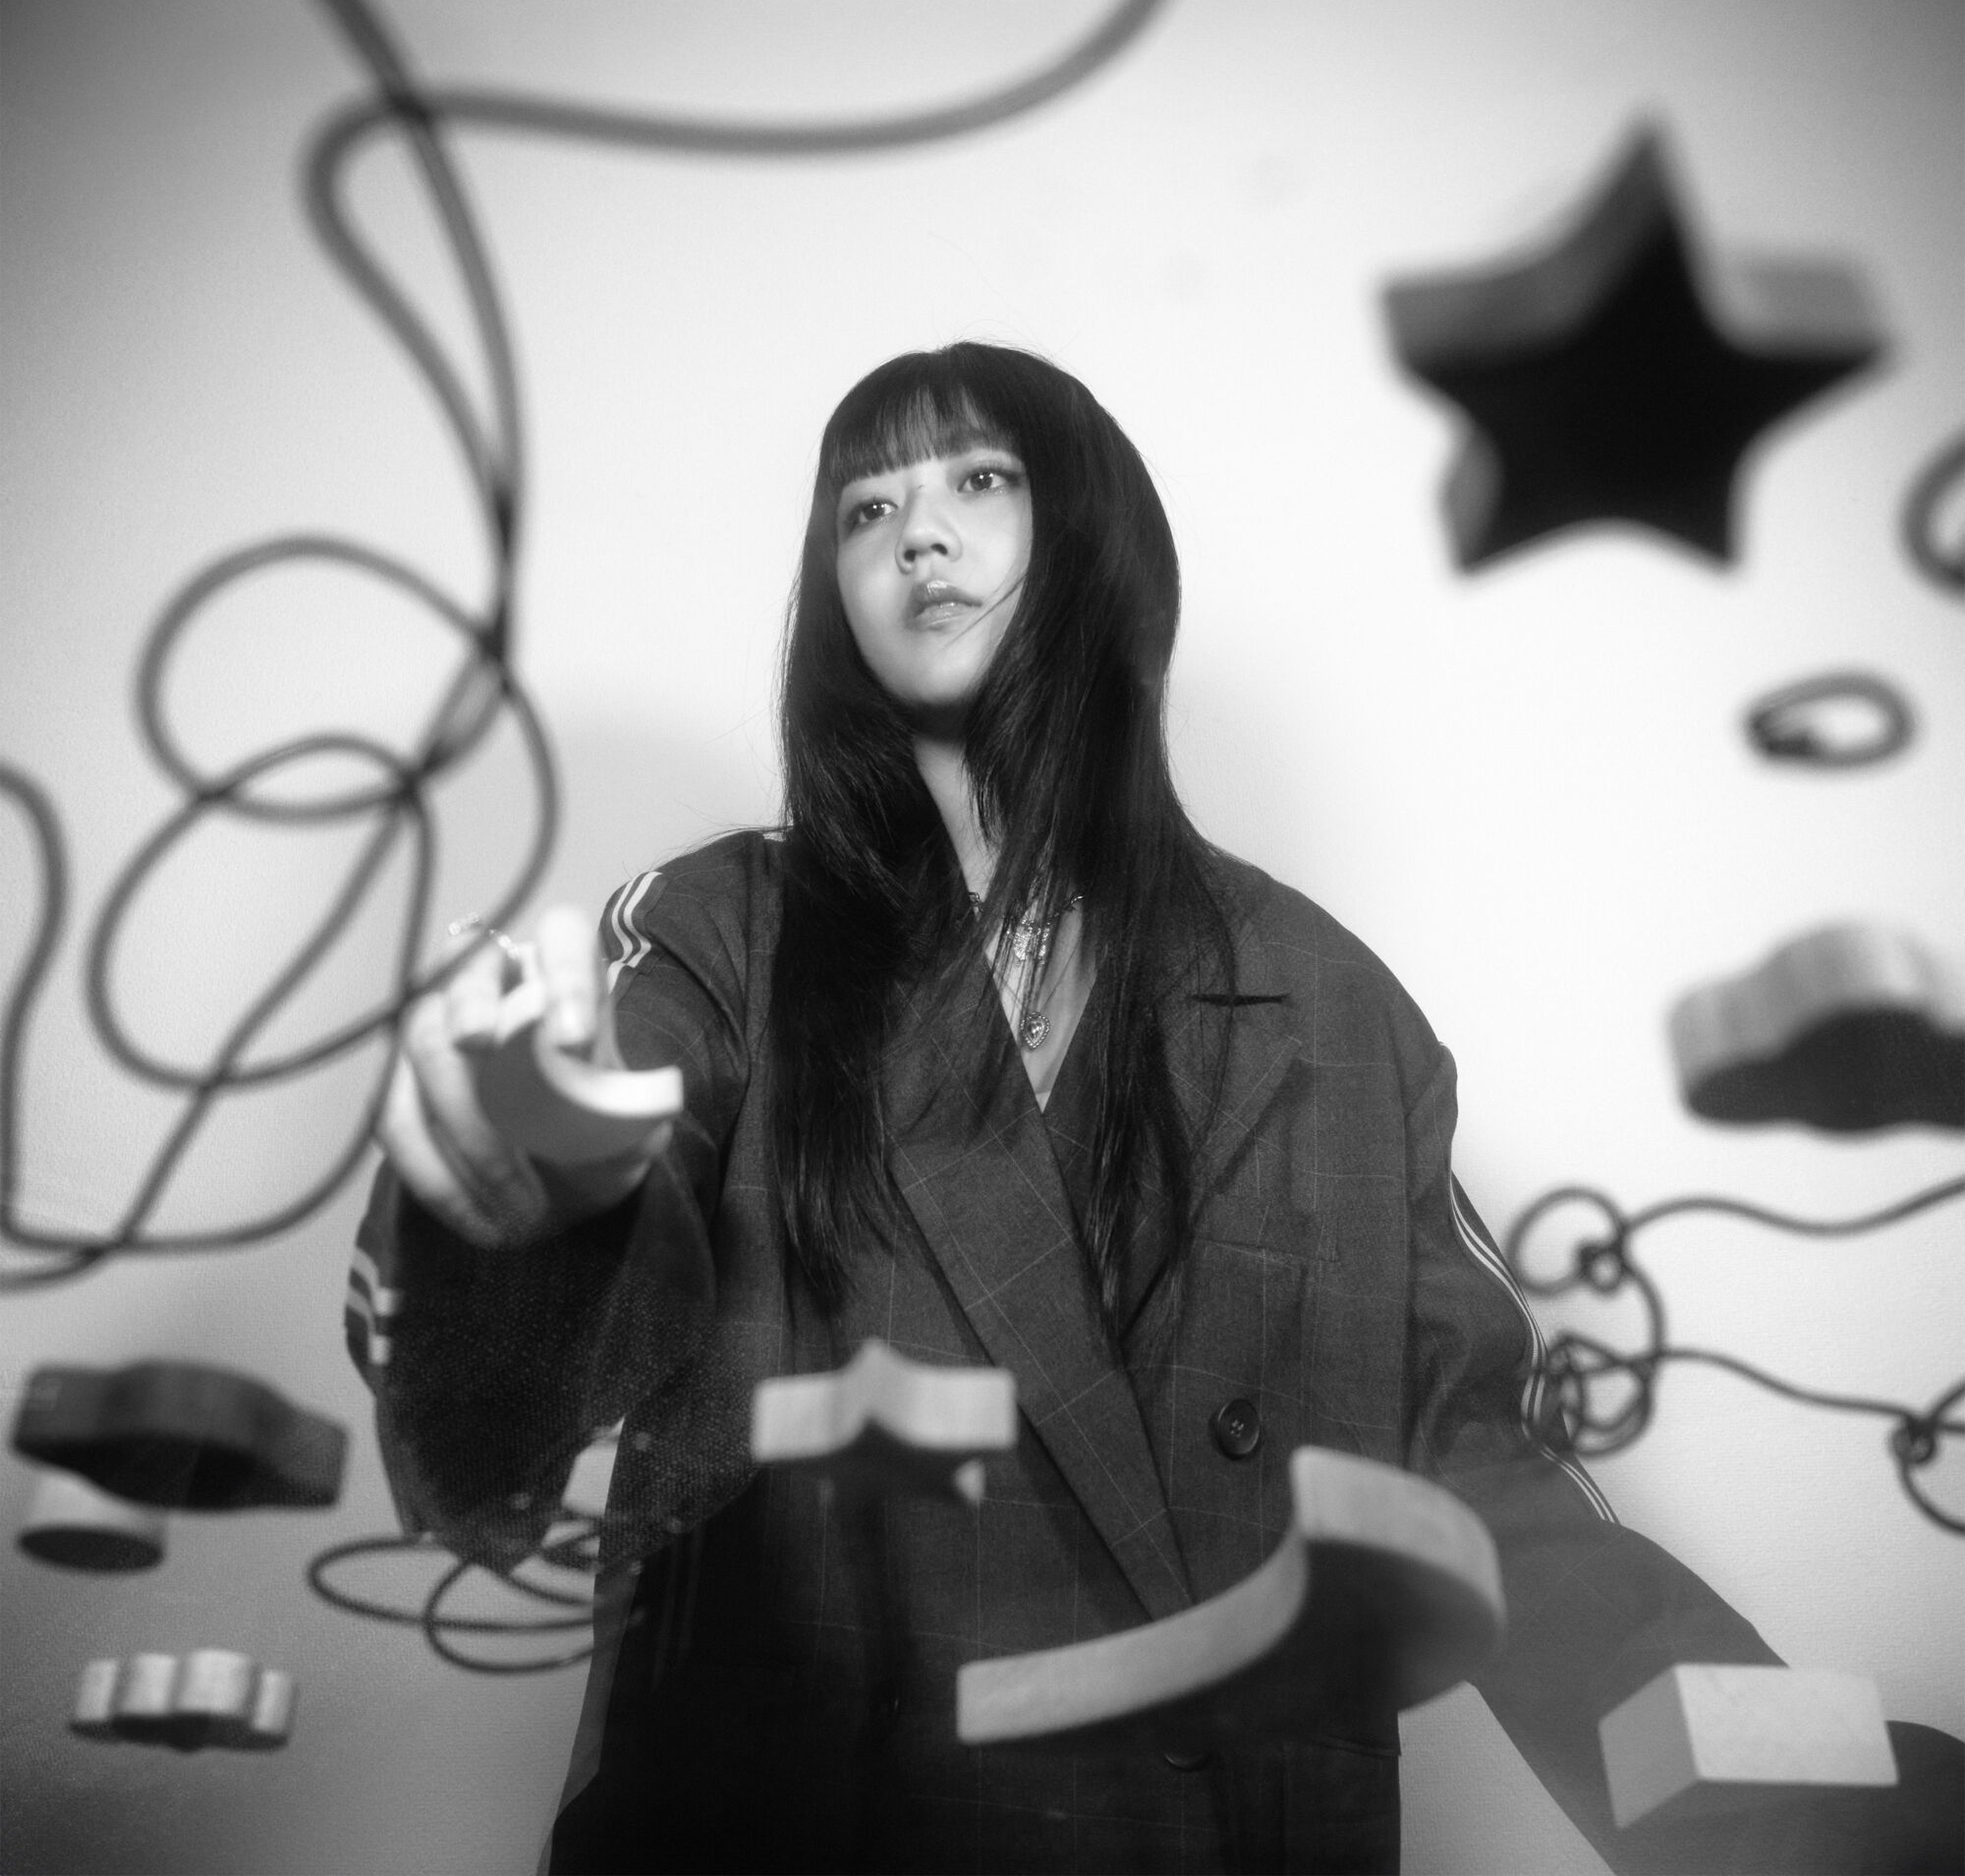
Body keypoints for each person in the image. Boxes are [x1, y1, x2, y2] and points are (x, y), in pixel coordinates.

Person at [351, 342, 1959, 1875]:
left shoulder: (1329, 1004)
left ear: (1099, 538)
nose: (917, 534)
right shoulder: (725, 934)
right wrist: (517, 1209)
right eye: (866, 506)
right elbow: (534, 1350)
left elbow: (1494, 1498)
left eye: (980, 480)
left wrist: (1834, 1808)